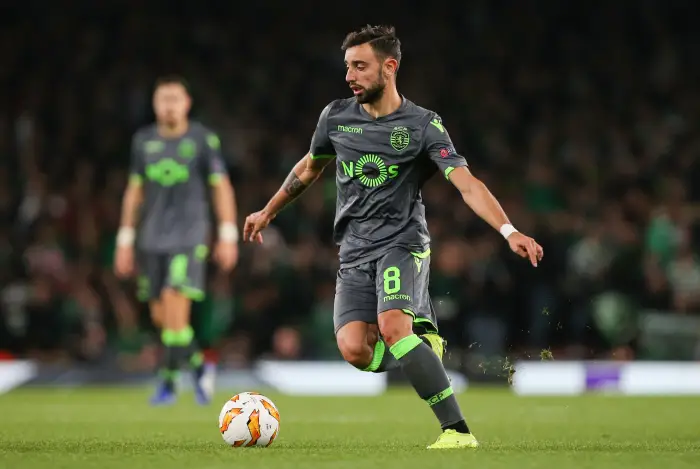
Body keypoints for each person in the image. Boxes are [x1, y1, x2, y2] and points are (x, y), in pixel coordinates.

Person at [243, 25, 543, 449]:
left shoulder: (423, 125)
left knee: (393, 328)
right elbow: (310, 167)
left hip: (402, 242)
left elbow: (467, 183)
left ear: (390, 67)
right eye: (347, 66)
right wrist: (267, 210)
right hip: (353, 249)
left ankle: (456, 432)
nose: (350, 75)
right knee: (354, 350)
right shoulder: (336, 117)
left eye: (360, 66)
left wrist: (508, 230)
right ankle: (419, 348)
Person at [114, 75, 239, 406]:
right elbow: (134, 191)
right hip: (150, 239)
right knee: (163, 319)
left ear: (186, 103)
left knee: (174, 305)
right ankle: (199, 367)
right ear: (154, 105)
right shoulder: (143, 141)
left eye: (174, 99)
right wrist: (124, 239)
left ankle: (168, 382)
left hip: (189, 235)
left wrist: (227, 234)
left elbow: (221, 186)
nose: (169, 105)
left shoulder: (201, 139)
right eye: (162, 99)